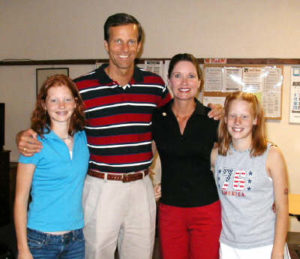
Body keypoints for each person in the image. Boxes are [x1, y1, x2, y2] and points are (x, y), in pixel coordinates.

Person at [16, 13, 222, 259]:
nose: (125, 49)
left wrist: (213, 111)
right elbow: (57, 115)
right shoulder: (82, 88)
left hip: (140, 187)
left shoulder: (154, 86)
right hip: (101, 187)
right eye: (117, 41)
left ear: (139, 45)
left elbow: (181, 110)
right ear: (106, 45)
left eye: (131, 41)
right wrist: (26, 134)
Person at [152, 53, 222, 259]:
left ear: (199, 82)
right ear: (169, 80)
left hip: (206, 209)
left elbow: (236, 154)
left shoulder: (211, 118)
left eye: (191, 76)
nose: (184, 82)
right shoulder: (157, 118)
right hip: (170, 210)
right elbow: (145, 156)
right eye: (178, 75)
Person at [14, 74, 89, 259]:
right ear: (44, 105)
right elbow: (20, 200)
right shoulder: (33, 143)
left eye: (67, 99)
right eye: (54, 100)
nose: (61, 106)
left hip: (76, 239)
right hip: (40, 241)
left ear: (75, 103)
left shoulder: (85, 139)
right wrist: (23, 249)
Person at [211, 91, 290, 259]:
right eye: (232, 115)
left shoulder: (272, 156)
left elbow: (283, 209)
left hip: (263, 245)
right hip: (229, 245)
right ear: (225, 119)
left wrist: (277, 251)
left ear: (255, 120)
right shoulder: (217, 156)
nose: (237, 122)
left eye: (245, 116)